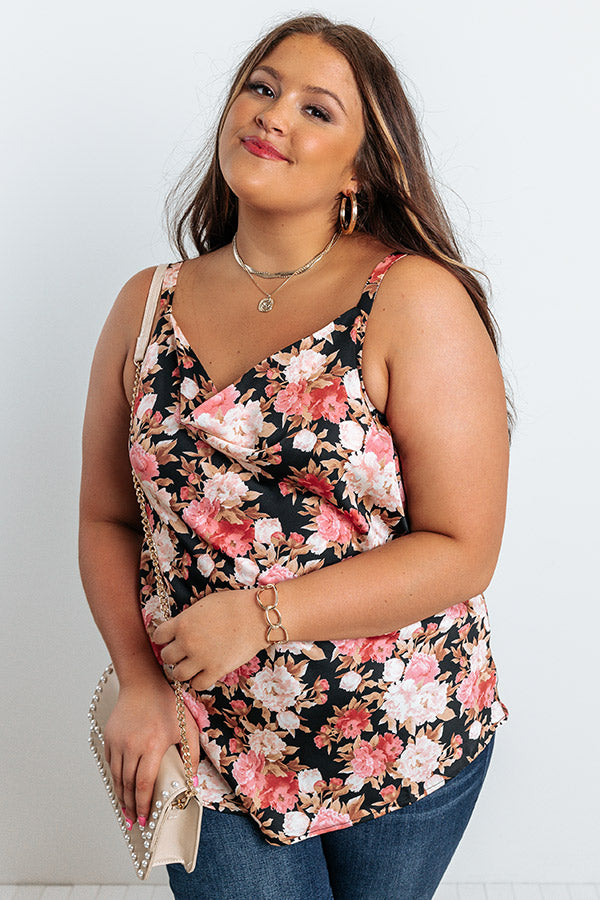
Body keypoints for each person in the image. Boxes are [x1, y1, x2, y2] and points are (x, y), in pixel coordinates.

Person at [79, 13, 511, 900]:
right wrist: (137, 680)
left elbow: (464, 548)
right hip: (206, 737)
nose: (273, 115)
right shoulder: (145, 306)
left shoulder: (412, 300)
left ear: (361, 166)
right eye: (263, 88)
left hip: (397, 733)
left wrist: (260, 617)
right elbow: (106, 518)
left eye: (317, 109)